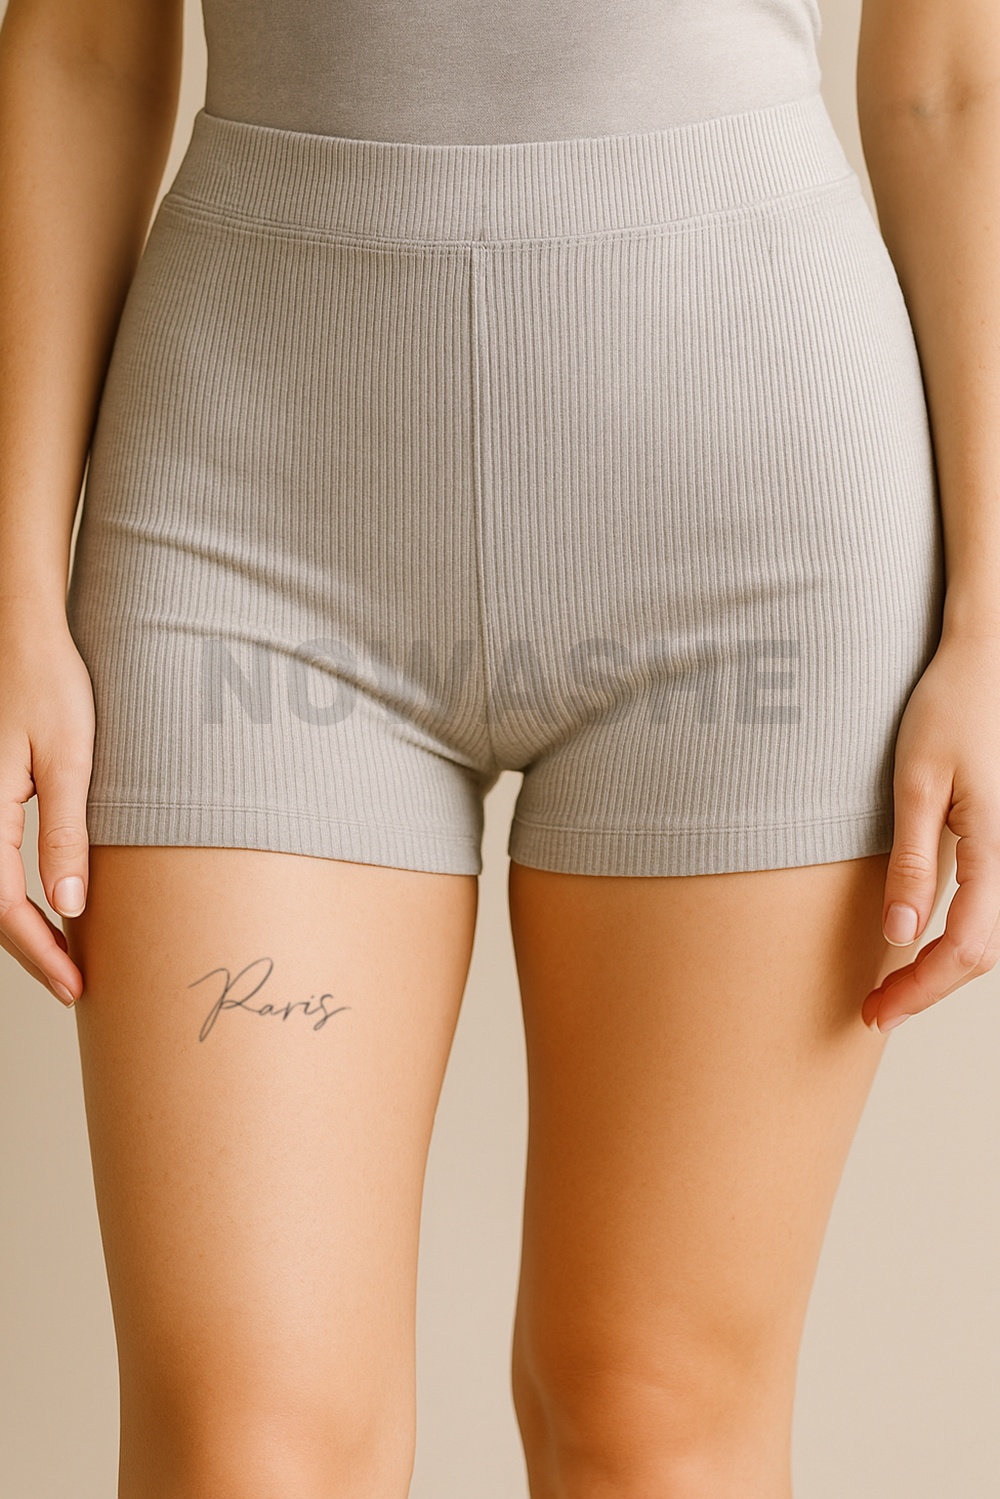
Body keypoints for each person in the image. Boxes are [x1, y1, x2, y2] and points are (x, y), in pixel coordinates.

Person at [1, 0, 996, 1492]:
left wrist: (994, 617)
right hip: (248, 502)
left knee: (656, 1418)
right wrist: (11, 591)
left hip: (752, 516)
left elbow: (955, 84)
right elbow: (81, 47)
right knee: (245, 1448)